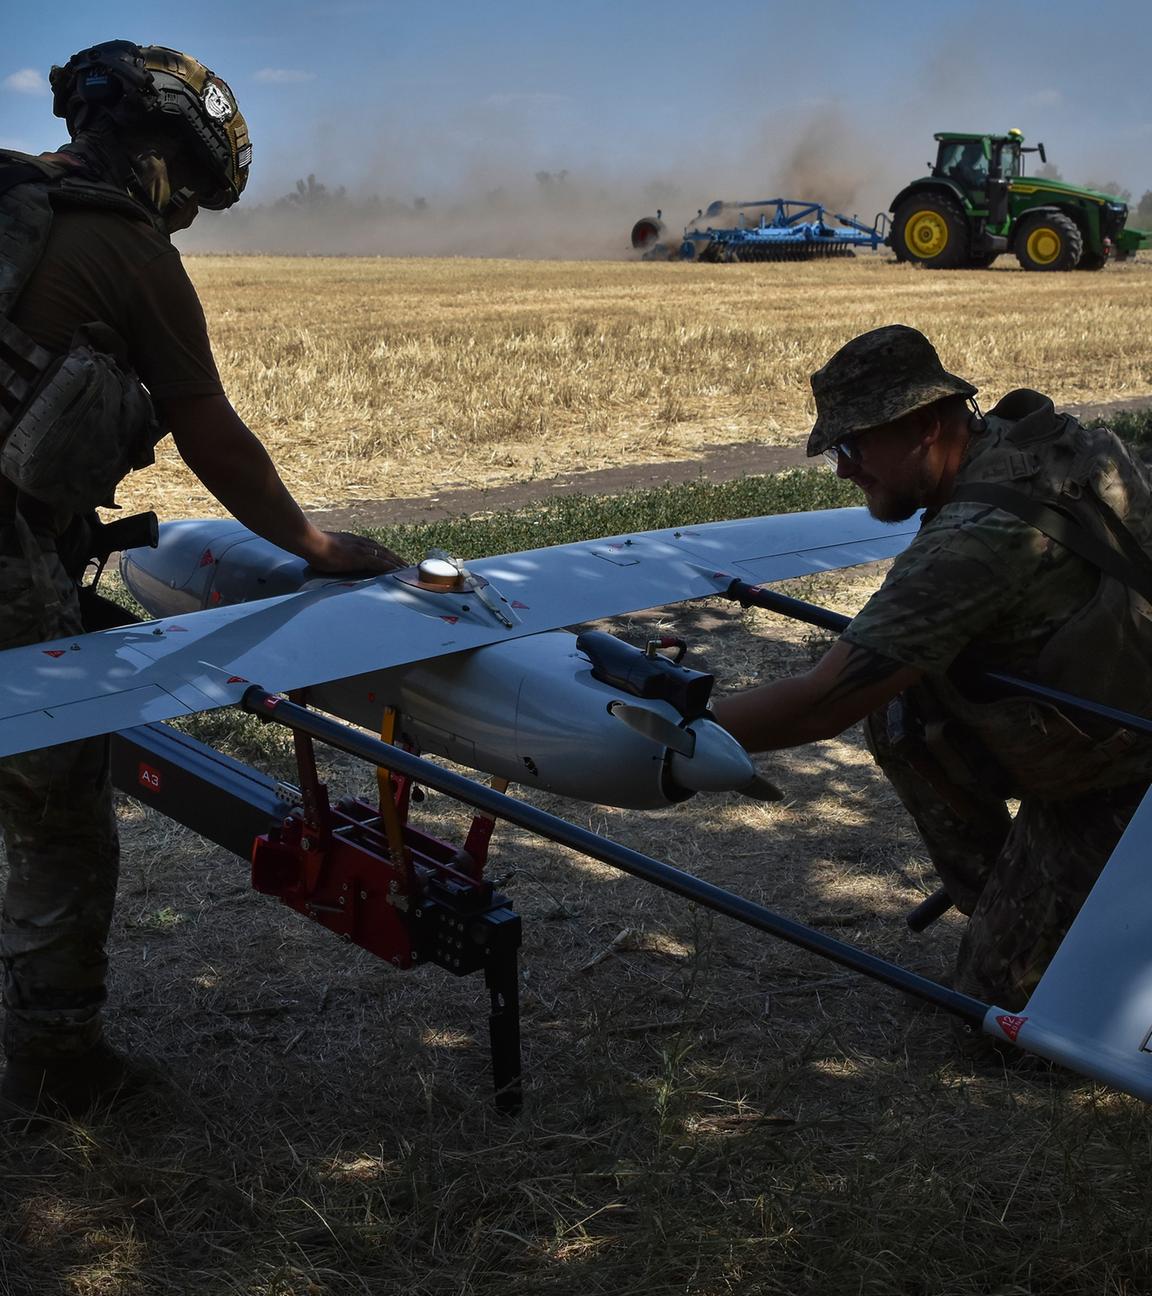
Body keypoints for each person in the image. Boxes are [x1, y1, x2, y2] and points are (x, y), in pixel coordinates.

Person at [0, 41, 405, 1117]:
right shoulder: (126, 249)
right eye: (190, 199)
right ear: (168, 161)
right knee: (53, 815)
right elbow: (213, 437)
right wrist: (317, 549)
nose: (184, 221)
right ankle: (58, 1060)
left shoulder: (12, 197)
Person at [712, 324, 1152, 1014]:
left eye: (852, 445)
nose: (843, 469)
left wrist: (676, 733)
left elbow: (819, 703)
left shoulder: (977, 538)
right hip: (1102, 721)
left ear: (924, 425)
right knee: (903, 708)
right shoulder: (1045, 442)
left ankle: (1076, 919)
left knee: (1013, 1017)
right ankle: (1021, 896)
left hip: (1126, 775)